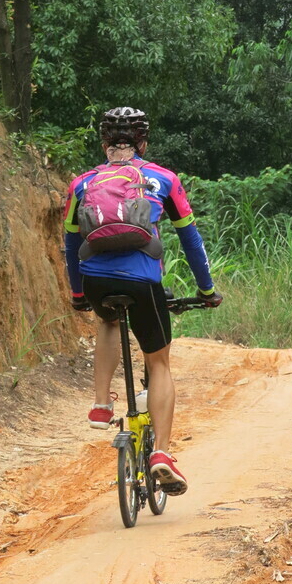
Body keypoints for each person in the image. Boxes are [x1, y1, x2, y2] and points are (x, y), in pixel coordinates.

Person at [63, 106, 222, 495]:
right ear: (143, 144)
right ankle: (161, 454)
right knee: (159, 362)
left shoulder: (82, 183)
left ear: (104, 144)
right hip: (143, 281)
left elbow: (70, 243)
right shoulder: (163, 179)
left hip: (96, 280)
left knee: (107, 321)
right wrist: (206, 290)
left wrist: (79, 293)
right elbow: (191, 239)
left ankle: (101, 404)